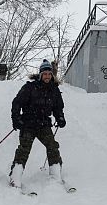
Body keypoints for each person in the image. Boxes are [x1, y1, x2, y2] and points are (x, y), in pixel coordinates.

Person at [9, 59, 66, 188]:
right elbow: (17, 103)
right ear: (40, 75)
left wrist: (60, 118)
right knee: (24, 150)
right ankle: (15, 176)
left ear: (52, 75)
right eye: (44, 74)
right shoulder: (30, 87)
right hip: (28, 124)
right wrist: (16, 119)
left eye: (49, 74)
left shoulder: (54, 90)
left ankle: (55, 173)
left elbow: (58, 107)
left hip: (43, 124)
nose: (47, 76)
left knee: (52, 147)